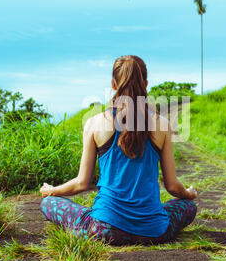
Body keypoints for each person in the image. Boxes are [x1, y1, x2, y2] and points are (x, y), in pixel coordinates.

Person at [40, 55, 197, 246]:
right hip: (153, 232)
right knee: (188, 206)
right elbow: (172, 186)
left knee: (48, 202)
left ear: (114, 85)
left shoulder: (94, 123)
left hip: (104, 230)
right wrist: (188, 194)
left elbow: (82, 183)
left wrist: (53, 190)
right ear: (145, 84)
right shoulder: (162, 125)